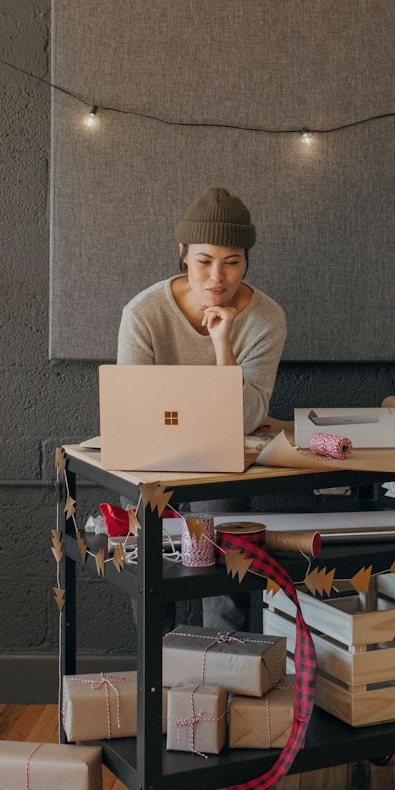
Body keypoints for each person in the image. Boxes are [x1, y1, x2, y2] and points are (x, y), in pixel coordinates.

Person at [118, 185, 287, 630]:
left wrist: (221, 345)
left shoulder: (266, 318)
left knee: (223, 581)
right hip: (151, 459)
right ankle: (162, 684)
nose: (218, 277)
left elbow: (247, 418)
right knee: (150, 578)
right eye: (204, 261)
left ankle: (225, 684)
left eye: (232, 262)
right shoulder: (144, 312)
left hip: (221, 463)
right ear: (182, 254)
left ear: (246, 260)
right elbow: (130, 408)